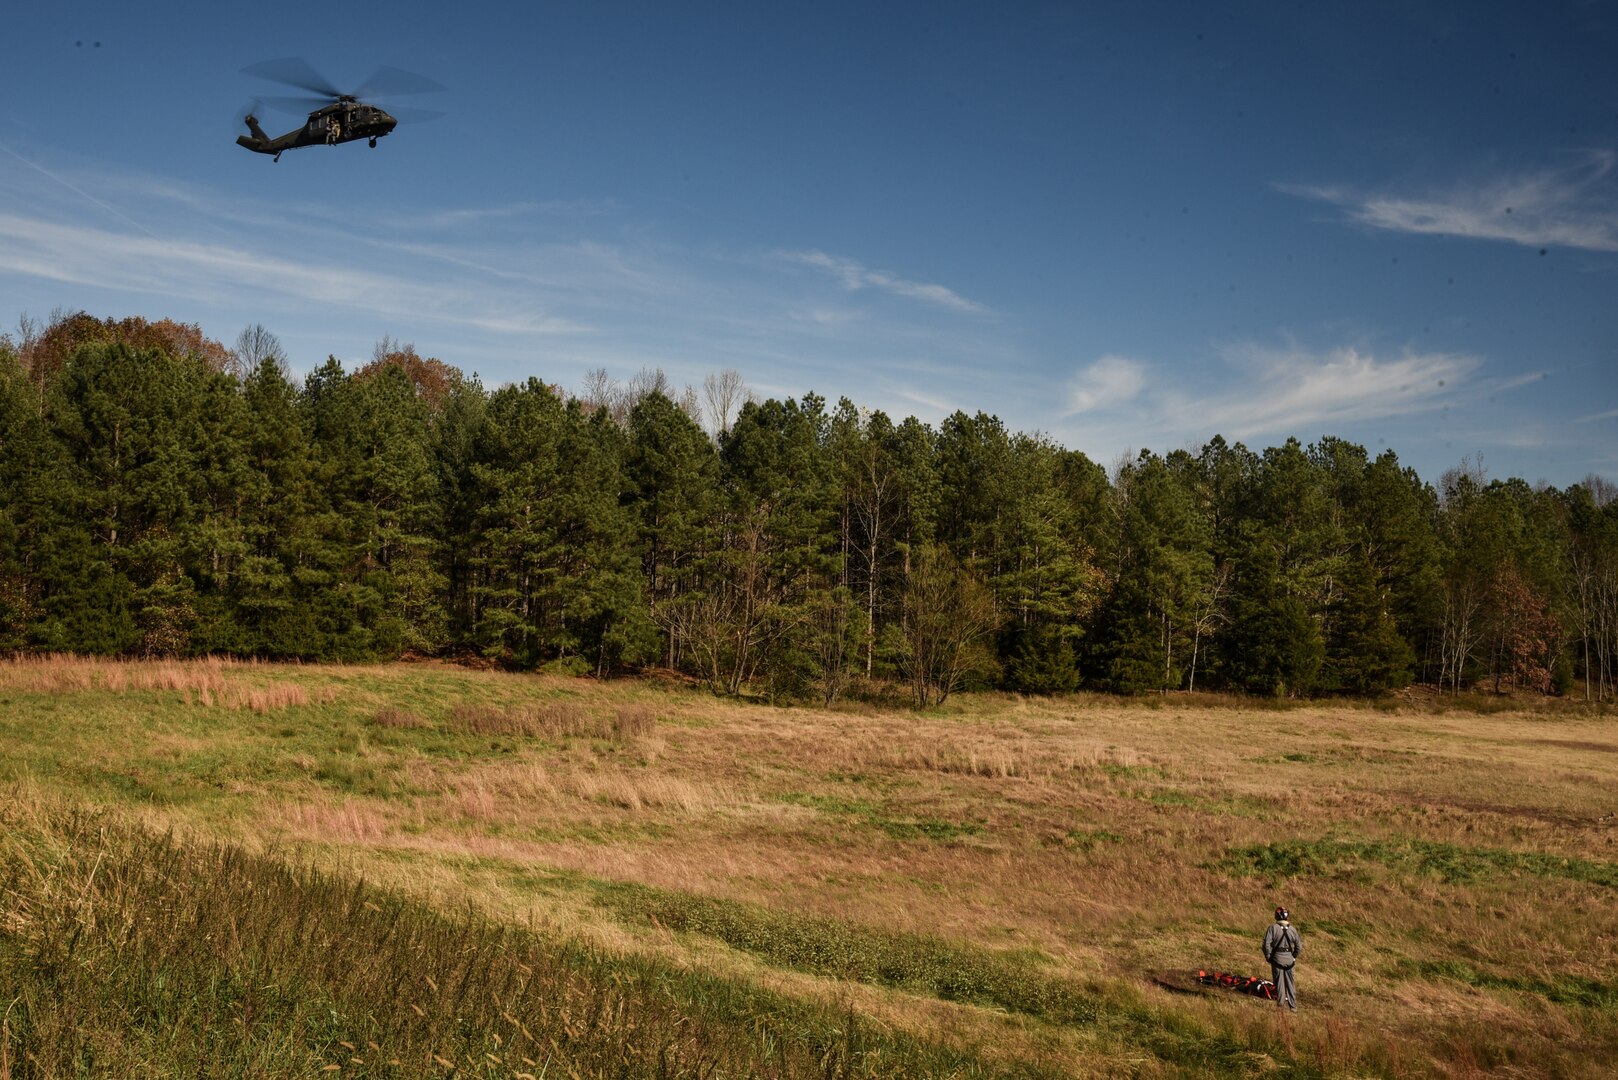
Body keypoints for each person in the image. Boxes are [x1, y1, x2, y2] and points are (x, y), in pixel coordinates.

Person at [1262, 906, 1301, 1011]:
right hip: (1289, 961)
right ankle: (1293, 1007)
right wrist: (1293, 957)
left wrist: (1268, 956)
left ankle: (1280, 1005)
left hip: (1277, 959)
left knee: (1279, 983)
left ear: (1277, 916)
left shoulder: (1272, 928)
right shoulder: (1293, 929)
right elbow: (1298, 947)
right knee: (1291, 984)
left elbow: (1266, 944)